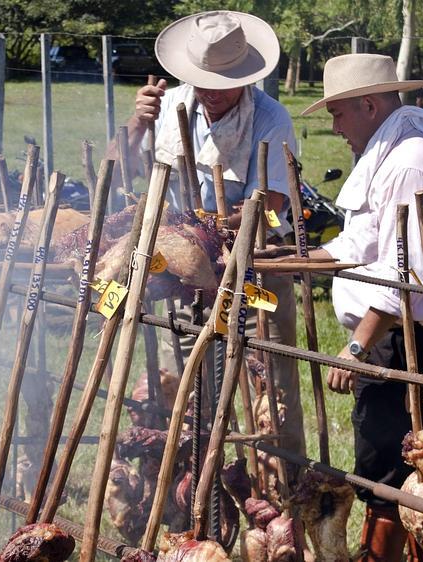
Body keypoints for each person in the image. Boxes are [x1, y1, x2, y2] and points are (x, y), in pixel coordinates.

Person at [106, 11, 305, 460]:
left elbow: (270, 204)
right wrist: (138, 123)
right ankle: (187, 475)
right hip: (183, 266)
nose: (212, 93)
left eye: (223, 84)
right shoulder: (168, 104)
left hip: (252, 264)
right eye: (204, 82)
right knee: (181, 373)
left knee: (270, 385)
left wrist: (208, 229)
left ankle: (278, 482)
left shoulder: (271, 119)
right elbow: (120, 169)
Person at [305, 53, 423, 561]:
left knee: (387, 469)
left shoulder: (409, 162)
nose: (335, 127)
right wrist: (280, 260)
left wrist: (357, 346)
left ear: (369, 105)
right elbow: (360, 243)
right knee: (390, 459)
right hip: (394, 340)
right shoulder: (388, 153)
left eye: (337, 113)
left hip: (405, 344)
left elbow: (405, 278)